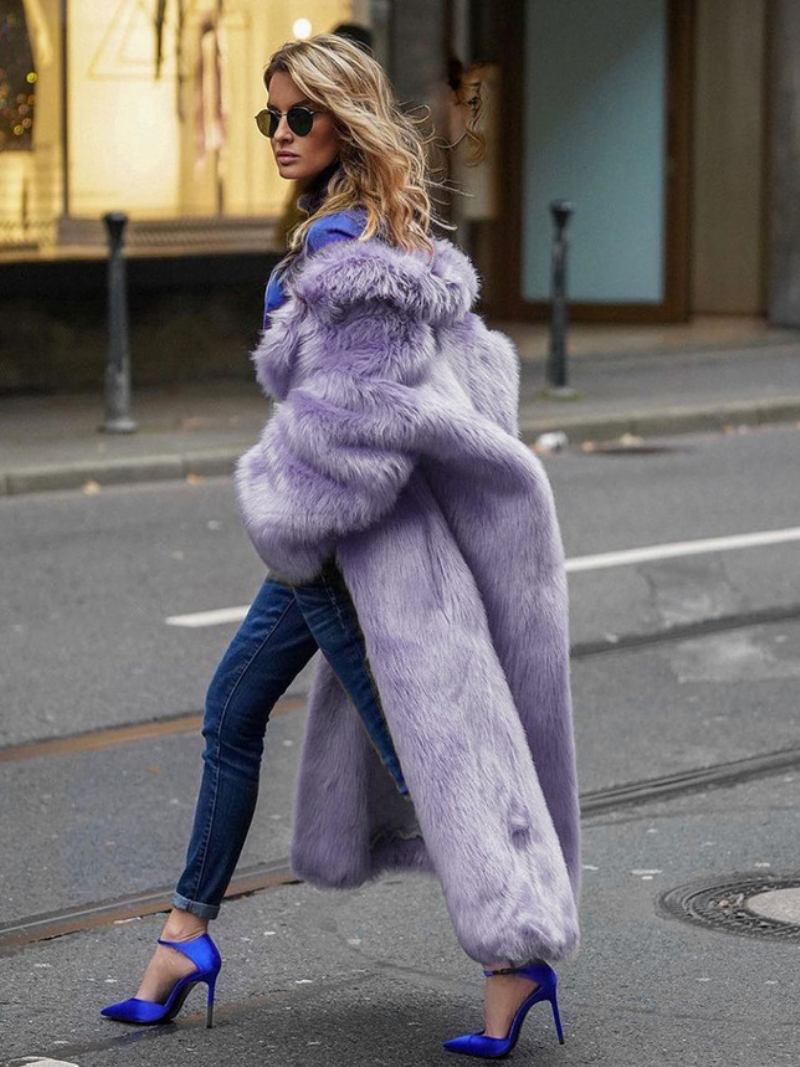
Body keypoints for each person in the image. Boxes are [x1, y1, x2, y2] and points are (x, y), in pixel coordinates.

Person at [100, 33, 581, 1058]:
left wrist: (280, 509)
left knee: (429, 754)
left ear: (344, 120)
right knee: (236, 710)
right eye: (270, 115)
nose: (278, 133)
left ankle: (511, 949)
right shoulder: (379, 238)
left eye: (298, 117)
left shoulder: (345, 255)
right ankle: (184, 936)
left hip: (339, 545)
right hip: (342, 548)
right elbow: (461, 387)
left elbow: (350, 434)